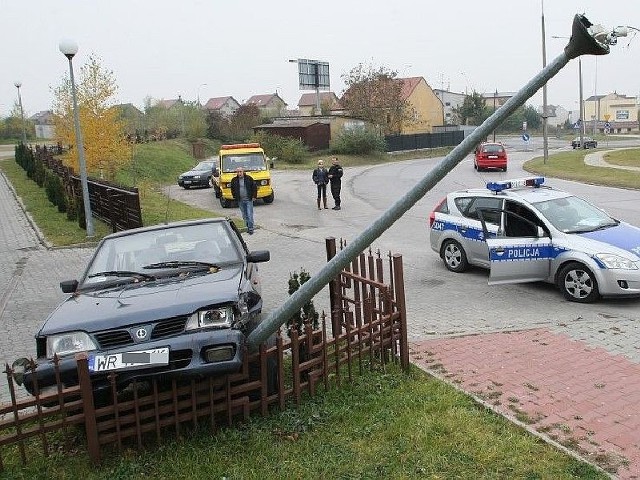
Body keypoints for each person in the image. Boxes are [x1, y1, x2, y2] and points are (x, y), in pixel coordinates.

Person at [230, 167, 257, 234]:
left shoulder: (249, 178)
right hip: (240, 201)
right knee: (244, 215)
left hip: (248, 200)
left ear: (243, 171)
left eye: (240, 171)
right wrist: (235, 196)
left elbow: (254, 187)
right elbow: (232, 189)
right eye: (238, 172)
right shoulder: (234, 180)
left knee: (249, 214)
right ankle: (248, 227)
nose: (239, 173)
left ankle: (251, 229)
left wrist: (254, 196)